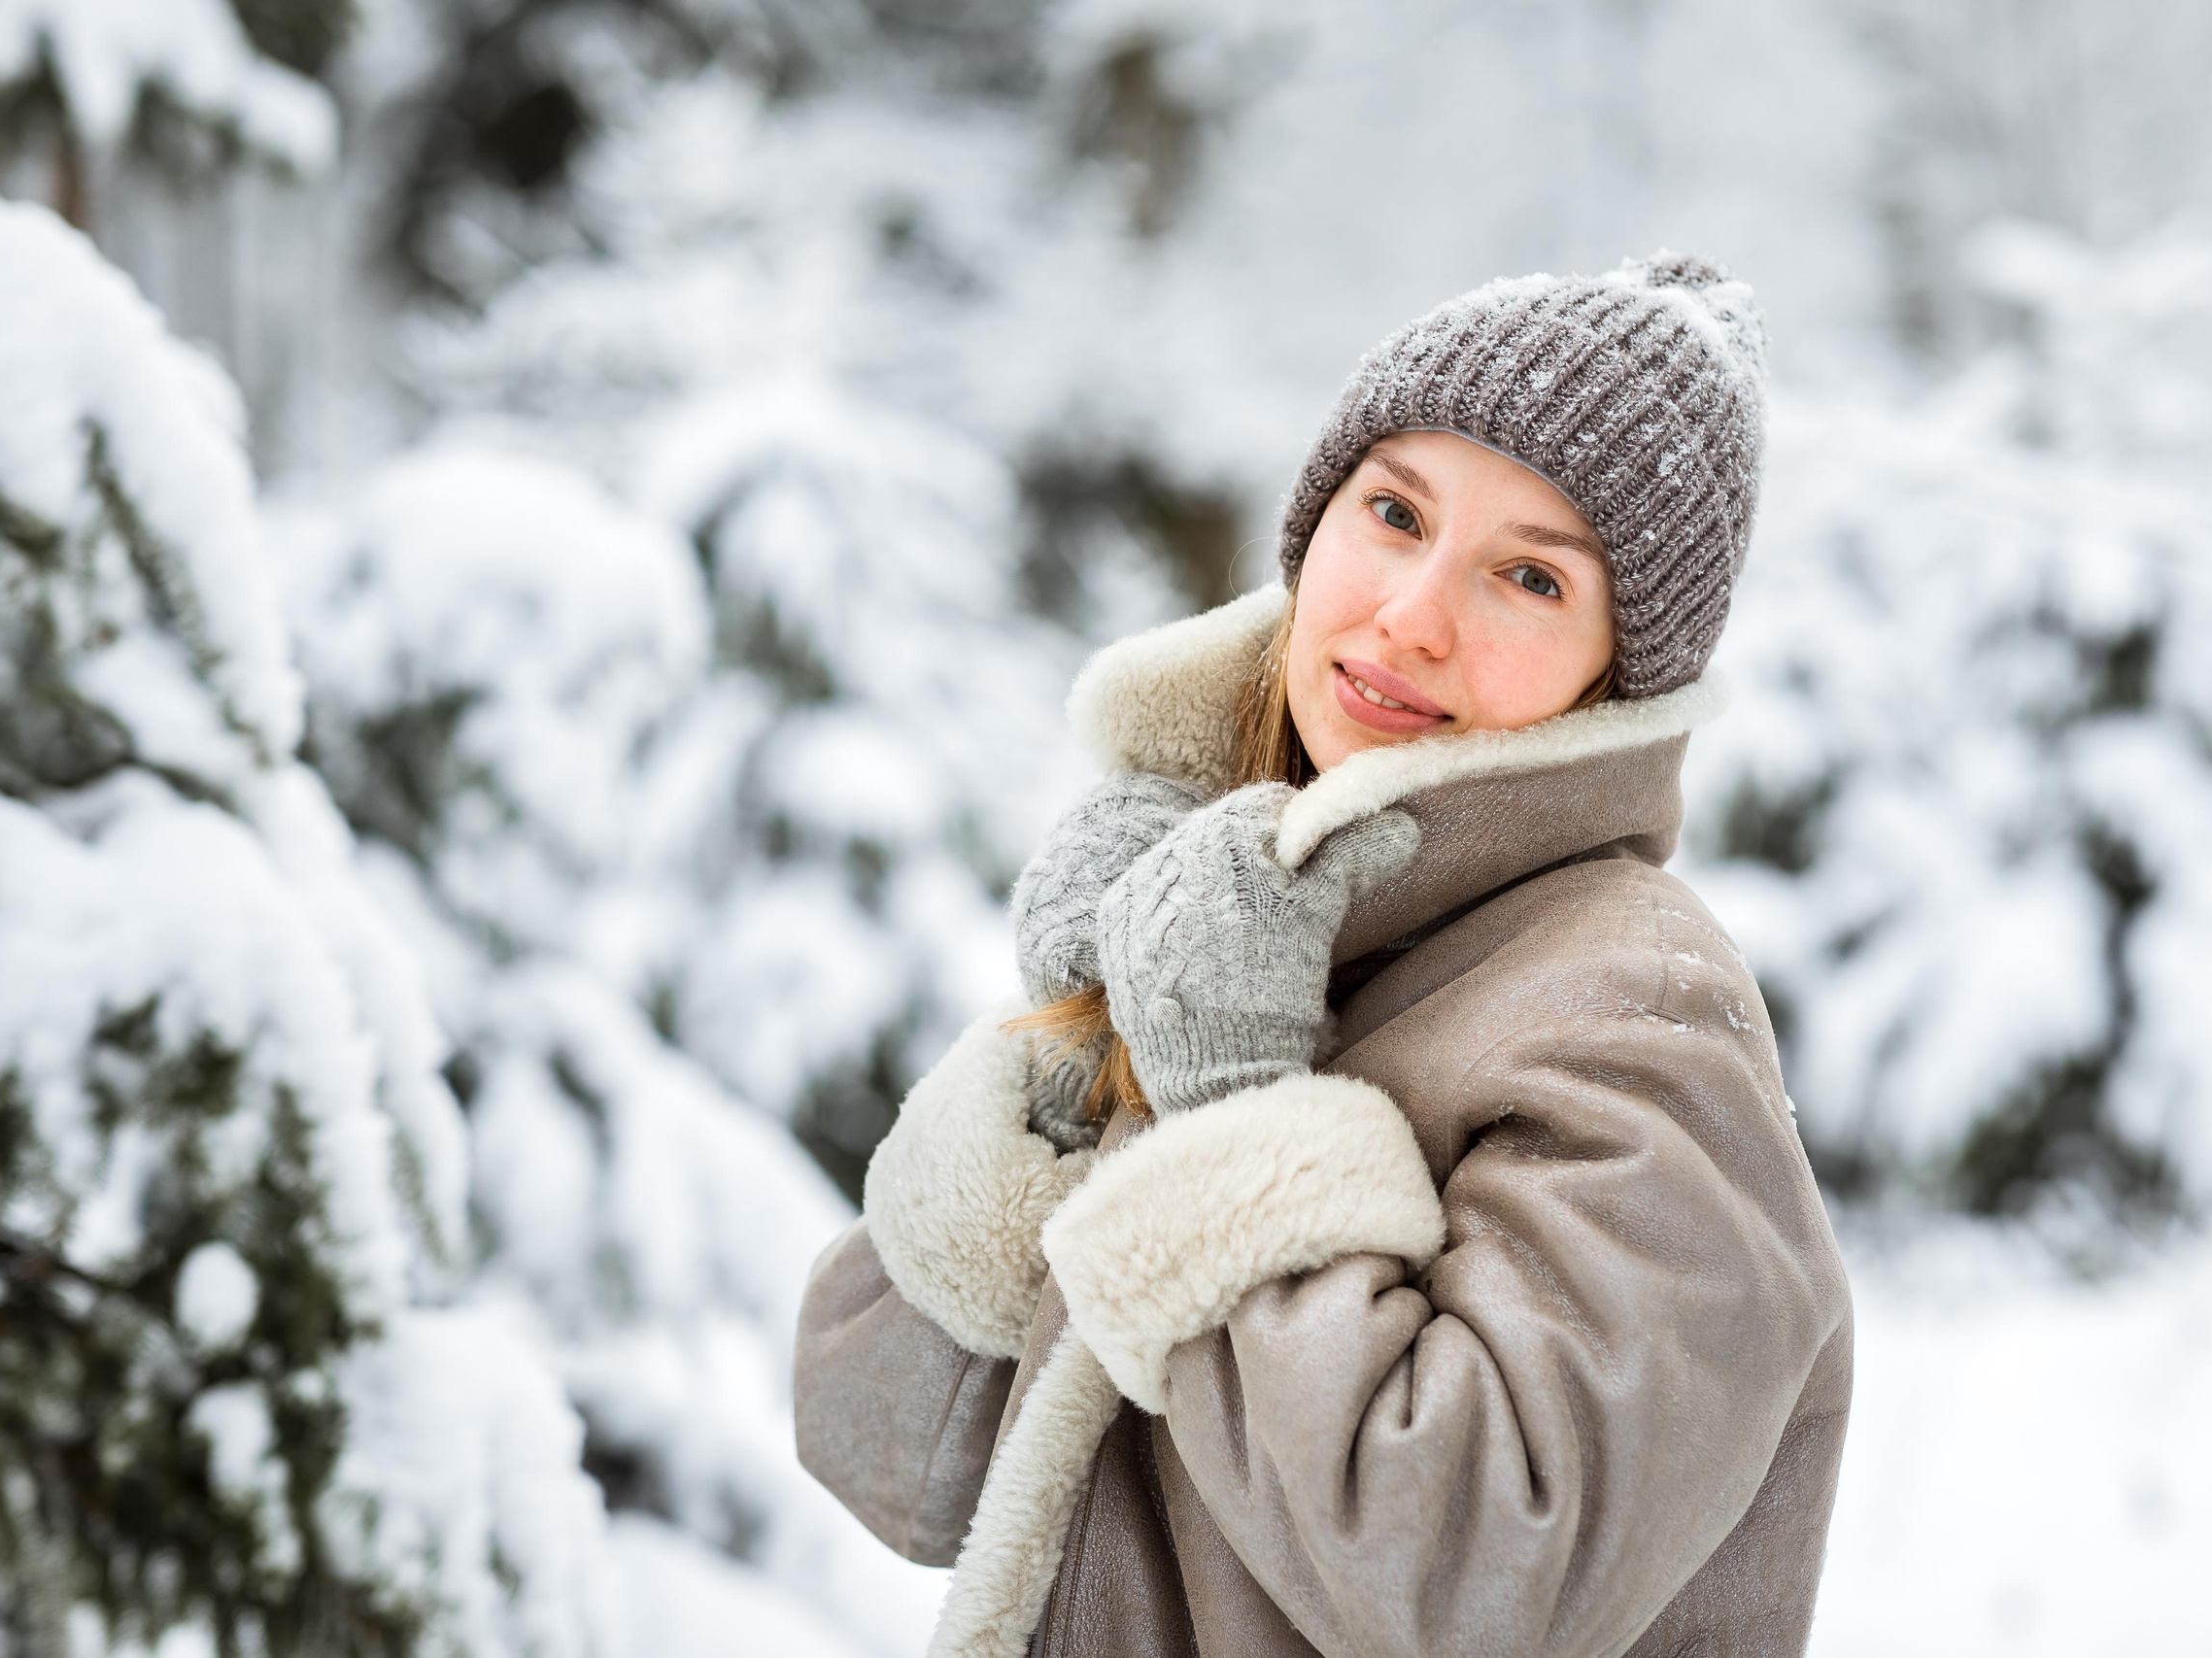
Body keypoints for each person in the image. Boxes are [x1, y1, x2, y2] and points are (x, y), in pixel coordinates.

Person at [793, 254, 1854, 1658]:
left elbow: (1483, 1578)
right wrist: (1079, 1053)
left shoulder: (1643, 1014)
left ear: (1622, 670)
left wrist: (1234, 1101)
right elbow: (884, 1452)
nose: (1415, 614)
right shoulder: (1243, 911)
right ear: (1313, 523)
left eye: (1532, 576)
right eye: (1396, 512)